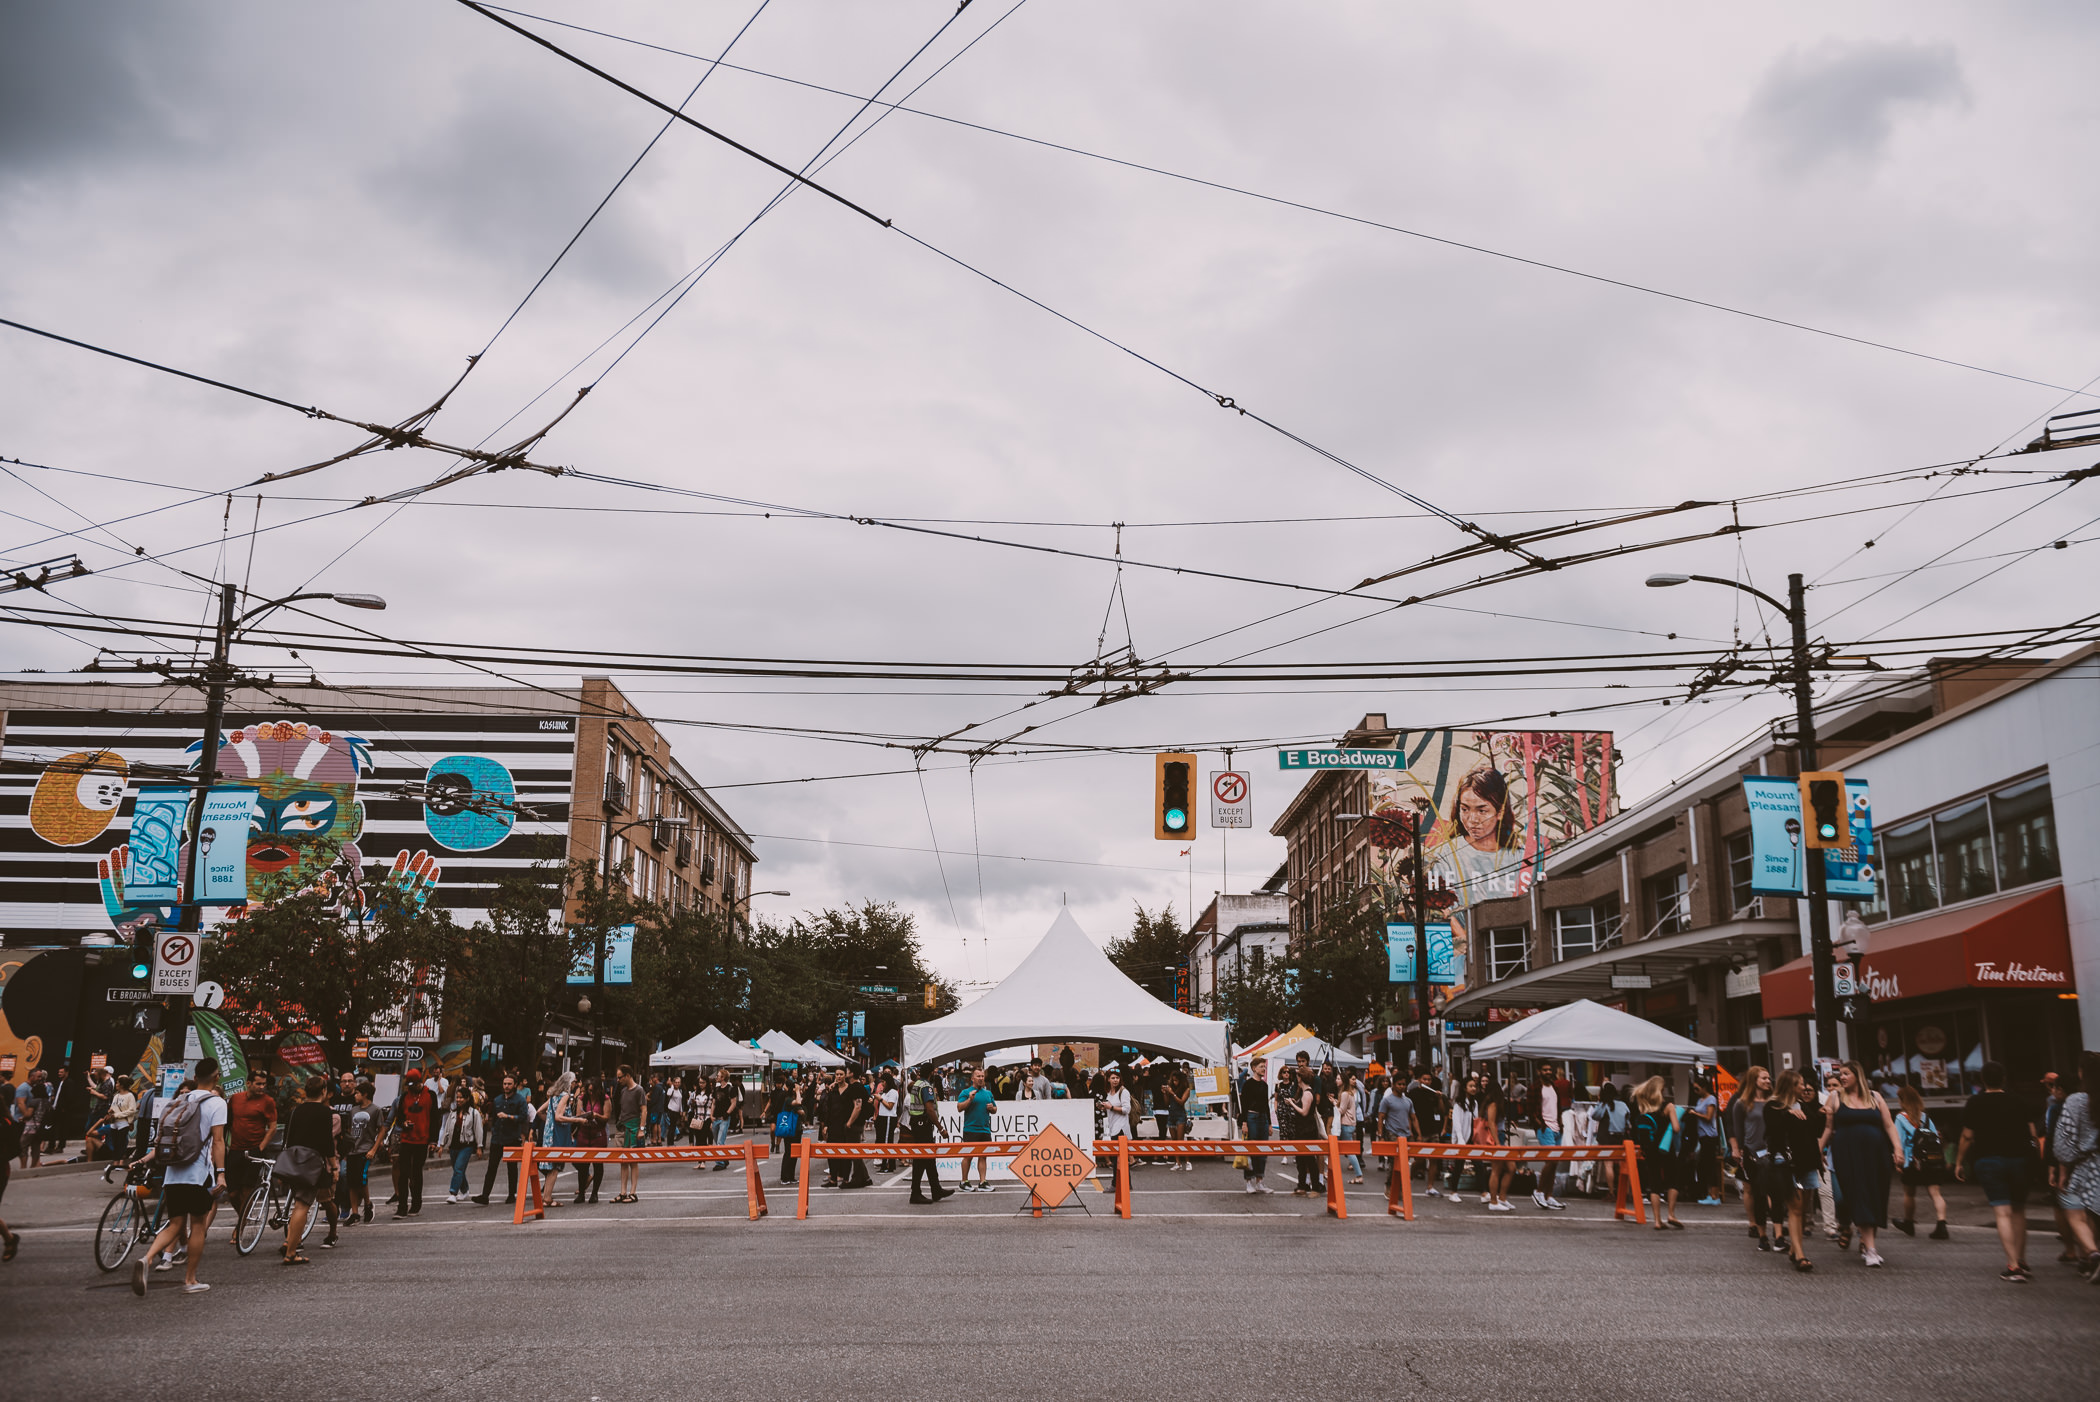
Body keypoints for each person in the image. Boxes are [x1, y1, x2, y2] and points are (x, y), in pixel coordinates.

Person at [130, 1056, 227, 1296]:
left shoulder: (180, 1100)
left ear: (194, 1078)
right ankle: (190, 1279)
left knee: (174, 1224)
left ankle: (148, 1257)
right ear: (216, 1077)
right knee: (197, 1225)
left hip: (172, 1173)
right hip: (198, 1174)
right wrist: (221, 1173)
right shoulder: (217, 1103)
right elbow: (218, 1141)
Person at [1956, 1059, 2038, 1282]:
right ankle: (2021, 1259)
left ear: (1983, 1080)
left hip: (1989, 1161)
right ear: (2003, 1078)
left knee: (2002, 1212)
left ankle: (2012, 1266)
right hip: (2019, 1161)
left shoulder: (1975, 1102)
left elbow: (1967, 1135)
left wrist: (1958, 1162)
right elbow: (2032, 1133)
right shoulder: (2019, 1101)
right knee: (2019, 1211)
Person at [1820, 1059, 1902, 1267]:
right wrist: (1818, 1149)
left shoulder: (1875, 1097)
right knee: (1858, 1194)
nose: (1842, 1077)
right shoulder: (1836, 1097)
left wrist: (1898, 1149)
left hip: (1876, 1155)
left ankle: (1868, 1243)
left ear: (1858, 1075)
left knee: (1875, 1195)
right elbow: (1828, 1129)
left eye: (1846, 1073)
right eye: (1841, 1074)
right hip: (1847, 1155)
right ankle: (1871, 1249)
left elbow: (1889, 1125)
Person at [2047, 1052, 2100, 1280]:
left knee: (2080, 1214)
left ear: (2082, 1073)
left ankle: (2092, 1252)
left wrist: (2064, 1169)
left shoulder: (2076, 1101)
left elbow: (2063, 1142)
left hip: (2089, 1166)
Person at [1763, 1069, 1822, 1272]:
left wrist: (1822, 1114)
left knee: (1803, 1208)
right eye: (1799, 1084)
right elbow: (1773, 1129)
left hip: (1807, 1162)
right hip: (1787, 1163)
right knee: (1795, 1208)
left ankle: (1794, 1250)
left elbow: (1816, 1130)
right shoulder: (1773, 1106)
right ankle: (1800, 1254)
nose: (1804, 1088)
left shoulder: (1804, 1105)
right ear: (1790, 1086)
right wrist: (1788, 1113)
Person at [277, 1075, 338, 1262]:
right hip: (312, 1162)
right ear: (324, 1092)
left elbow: (287, 1139)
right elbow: (327, 1142)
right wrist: (334, 1166)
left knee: (297, 1203)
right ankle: (291, 1252)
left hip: (294, 1160)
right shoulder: (325, 1113)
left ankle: (290, 1244)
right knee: (302, 1206)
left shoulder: (295, 1111)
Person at [1893, 1085, 1951, 1242]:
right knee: (1935, 1193)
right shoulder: (1925, 1117)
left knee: (1909, 1193)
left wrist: (1898, 1160)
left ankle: (1909, 1222)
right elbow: (1936, 1139)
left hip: (1912, 1161)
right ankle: (1941, 1224)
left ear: (1902, 1101)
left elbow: (1899, 1140)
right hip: (1930, 1161)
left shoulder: (1900, 1118)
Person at [224, 1068, 279, 1231]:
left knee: (247, 1191)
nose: (262, 1087)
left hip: (254, 1151)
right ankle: (243, 1216)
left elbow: (273, 1127)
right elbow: (227, 1123)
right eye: (258, 1084)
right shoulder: (235, 1099)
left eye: (264, 1084)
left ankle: (239, 1228)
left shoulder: (267, 1101)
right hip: (235, 1149)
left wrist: (260, 1147)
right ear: (248, 1084)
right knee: (233, 1193)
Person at [1725, 1067, 1774, 1246]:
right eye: (1764, 1078)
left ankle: (1774, 1225)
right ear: (1754, 1080)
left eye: (1769, 1078)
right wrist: (1735, 1148)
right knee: (1750, 1188)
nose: (1768, 1081)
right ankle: (1753, 1223)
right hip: (1750, 1151)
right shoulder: (1740, 1101)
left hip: (1769, 1151)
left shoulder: (1772, 1100)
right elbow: (1732, 1125)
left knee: (1769, 1189)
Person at [1631, 1076, 1685, 1230]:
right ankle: (1671, 1214)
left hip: (1650, 1149)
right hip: (1666, 1148)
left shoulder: (1643, 1107)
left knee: (1655, 1183)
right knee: (1673, 1180)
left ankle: (1657, 1220)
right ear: (1661, 1090)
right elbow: (1675, 1128)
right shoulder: (1668, 1106)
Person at [389, 1068, 438, 1217]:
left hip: (422, 1140)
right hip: (407, 1139)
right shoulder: (405, 1096)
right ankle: (402, 1206)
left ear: (420, 1082)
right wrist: (404, 1123)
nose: (412, 1088)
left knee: (416, 1173)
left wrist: (433, 1140)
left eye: (415, 1085)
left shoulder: (430, 1095)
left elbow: (435, 1118)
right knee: (403, 1173)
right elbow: (399, 1117)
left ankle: (416, 1203)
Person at [473, 1072, 528, 1207]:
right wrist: (493, 1130)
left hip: (512, 1138)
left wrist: (509, 1117)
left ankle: (511, 1194)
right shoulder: (497, 1100)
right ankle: (485, 1195)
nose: (506, 1086)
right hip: (498, 1138)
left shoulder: (520, 1100)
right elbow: (494, 1118)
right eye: (505, 1084)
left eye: (509, 1084)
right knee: (492, 1167)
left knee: (512, 1168)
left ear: (515, 1085)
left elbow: (523, 1117)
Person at [904, 1065, 952, 1205]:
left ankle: (936, 1189)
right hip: (923, 1124)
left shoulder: (917, 1084)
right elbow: (930, 1109)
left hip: (917, 1123)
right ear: (932, 1073)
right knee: (922, 1158)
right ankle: (916, 1193)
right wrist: (941, 1128)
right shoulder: (926, 1087)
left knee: (929, 1158)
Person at [1531, 1061, 1572, 1210]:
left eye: (1550, 1070)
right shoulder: (1535, 1087)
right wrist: (1540, 1124)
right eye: (1545, 1070)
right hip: (1545, 1128)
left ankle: (1549, 1195)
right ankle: (1539, 1191)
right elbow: (1531, 1109)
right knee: (1551, 1160)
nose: (1548, 1072)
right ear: (1539, 1072)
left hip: (1556, 1127)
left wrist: (1560, 1124)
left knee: (1555, 1162)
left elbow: (1558, 1107)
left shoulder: (1554, 1086)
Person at [957, 1067, 998, 1193]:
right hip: (971, 1129)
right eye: (978, 1076)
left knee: (983, 1156)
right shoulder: (966, 1092)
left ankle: (982, 1182)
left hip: (985, 1129)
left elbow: (995, 1109)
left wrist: (992, 1108)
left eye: (982, 1076)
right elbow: (959, 1108)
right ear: (972, 1079)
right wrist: (969, 1099)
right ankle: (964, 1181)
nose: (981, 1078)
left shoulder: (988, 1093)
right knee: (968, 1156)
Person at [440, 1086, 483, 1205]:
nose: (458, 1100)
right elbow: (447, 1129)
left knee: (458, 1168)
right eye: (457, 1098)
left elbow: (478, 1130)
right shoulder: (453, 1113)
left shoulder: (474, 1114)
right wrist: (442, 1144)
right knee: (458, 1169)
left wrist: (479, 1146)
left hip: (467, 1145)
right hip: (453, 1145)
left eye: (461, 1098)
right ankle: (464, 1190)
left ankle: (453, 1193)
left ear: (467, 1098)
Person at [1238, 1056, 1274, 1195]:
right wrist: (1244, 1122)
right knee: (1251, 1149)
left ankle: (1260, 1181)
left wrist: (1270, 1123)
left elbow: (1266, 1105)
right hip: (1251, 1117)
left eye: (1264, 1067)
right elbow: (1244, 1105)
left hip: (1263, 1118)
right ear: (1254, 1068)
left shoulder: (1264, 1085)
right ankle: (1249, 1181)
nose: (1263, 1069)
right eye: (1261, 1067)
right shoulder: (1248, 1084)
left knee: (1263, 1151)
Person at [609, 1065, 646, 1202]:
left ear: (628, 1075)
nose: (618, 1080)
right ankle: (623, 1192)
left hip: (634, 1128)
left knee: (633, 1161)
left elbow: (644, 1110)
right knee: (623, 1161)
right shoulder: (623, 1091)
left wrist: (641, 1129)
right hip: (622, 1127)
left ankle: (633, 1192)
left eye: (620, 1077)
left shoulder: (639, 1090)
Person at [1475, 1075, 1512, 1211]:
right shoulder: (1494, 1104)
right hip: (1497, 1138)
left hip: (1499, 1137)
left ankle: (1501, 1198)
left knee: (1510, 1168)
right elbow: (1491, 1123)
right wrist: (1497, 1142)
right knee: (1497, 1170)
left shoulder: (1491, 1103)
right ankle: (1494, 1201)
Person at [1686, 1073, 1723, 1207]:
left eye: (1697, 1089)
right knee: (1703, 1165)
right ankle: (1708, 1193)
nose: (1695, 1091)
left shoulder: (1711, 1099)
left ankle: (1714, 1195)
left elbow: (1708, 1117)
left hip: (1709, 1136)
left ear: (1704, 1087)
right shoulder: (1699, 1100)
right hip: (1702, 1136)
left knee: (1710, 1165)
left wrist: (1695, 1113)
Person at [573, 1079, 609, 1203]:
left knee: (598, 1164)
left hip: (598, 1134)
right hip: (584, 1133)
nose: (591, 1092)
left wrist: (596, 1116)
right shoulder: (582, 1098)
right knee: (582, 1165)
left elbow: (606, 1117)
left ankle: (594, 1193)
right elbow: (578, 1114)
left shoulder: (605, 1098)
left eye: (593, 1090)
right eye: (589, 1090)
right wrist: (584, 1117)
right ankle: (581, 1193)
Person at [1100, 1067, 1133, 1199]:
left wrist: (1111, 1107)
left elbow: (1126, 1109)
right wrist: (1104, 1107)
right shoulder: (1110, 1092)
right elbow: (1111, 1109)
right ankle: (1126, 1183)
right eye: (1112, 1078)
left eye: (1117, 1078)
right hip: (1113, 1127)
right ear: (1108, 1079)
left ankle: (1116, 1183)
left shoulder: (1123, 1092)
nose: (1115, 1080)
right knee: (1119, 1158)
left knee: (1118, 1158)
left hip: (1121, 1128)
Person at [711, 1070, 741, 1171]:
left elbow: (733, 1103)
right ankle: (724, 1158)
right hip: (716, 1118)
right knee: (717, 1140)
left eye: (718, 1076)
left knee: (720, 1141)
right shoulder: (716, 1089)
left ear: (723, 1077)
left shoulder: (730, 1089)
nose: (716, 1077)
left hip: (724, 1118)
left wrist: (727, 1113)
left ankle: (719, 1163)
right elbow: (714, 1103)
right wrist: (711, 1115)